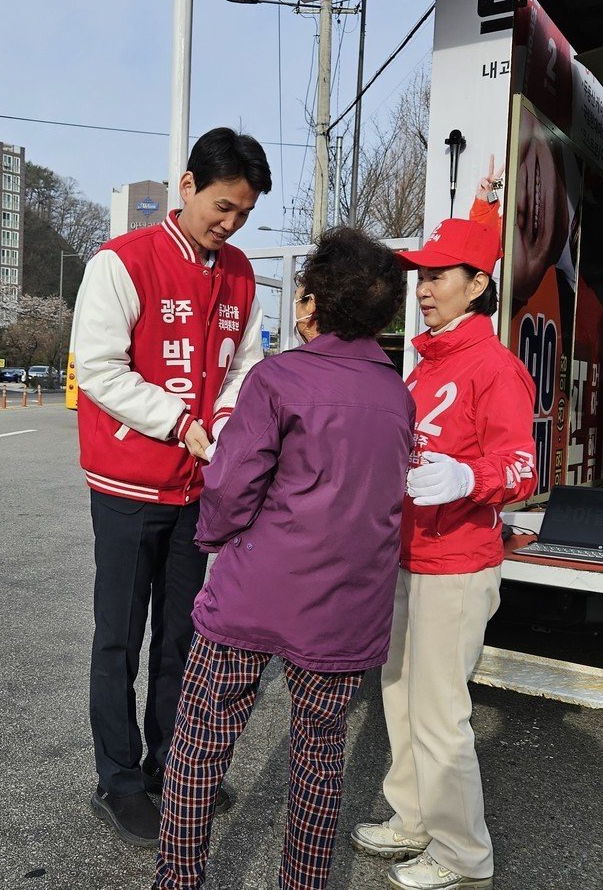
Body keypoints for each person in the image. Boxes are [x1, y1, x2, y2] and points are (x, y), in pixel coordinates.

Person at [154, 227, 414, 890]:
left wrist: (212, 536)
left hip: (253, 594)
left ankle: (179, 880)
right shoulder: (396, 394)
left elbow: (232, 486)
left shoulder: (279, 378)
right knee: (320, 758)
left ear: (314, 301)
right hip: (345, 608)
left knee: (201, 741)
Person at [71, 127, 270, 847]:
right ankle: (118, 781)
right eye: (222, 205)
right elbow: (98, 367)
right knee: (119, 638)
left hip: (197, 489)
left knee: (183, 638)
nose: (230, 222)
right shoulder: (123, 262)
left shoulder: (242, 274)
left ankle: (170, 768)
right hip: (127, 482)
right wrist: (181, 420)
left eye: (243, 213)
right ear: (186, 187)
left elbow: (247, 363)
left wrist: (223, 415)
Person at [351, 218, 538, 890]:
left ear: (478, 283)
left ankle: (463, 855)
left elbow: (522, 466)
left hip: (456, 563)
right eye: (421, 275)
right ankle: (412, 817)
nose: (423, 288)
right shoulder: (426, 365)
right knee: (398, 696)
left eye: (438, 275)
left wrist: (470, 478)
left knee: (439, 713)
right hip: (405, 558)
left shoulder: (495, 367)